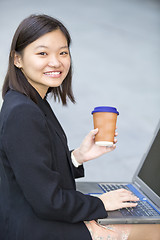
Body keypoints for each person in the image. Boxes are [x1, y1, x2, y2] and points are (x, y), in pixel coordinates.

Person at [0, 14, 159, 240]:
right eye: (42, 53)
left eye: (63, 52)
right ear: (18, 59)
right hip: (34, 229)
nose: (56, 62)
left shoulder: (28, 100)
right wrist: (101, 203)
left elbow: (31, 171)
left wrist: (77, 157)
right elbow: (49, 202)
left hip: (31, 219)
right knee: (154, 230)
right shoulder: (23, 112)